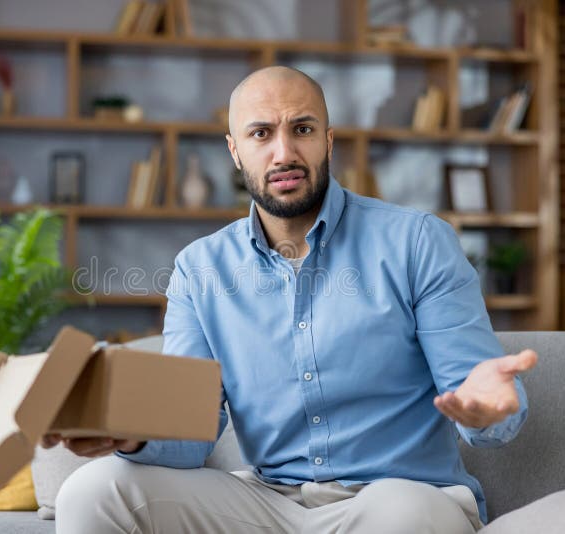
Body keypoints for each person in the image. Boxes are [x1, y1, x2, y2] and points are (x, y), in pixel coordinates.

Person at [45, 66, 538, 534]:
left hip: (398, 497)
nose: (284, 153)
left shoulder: (417, 242)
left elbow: (480, 394)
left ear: (327, 141)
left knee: (404, 514)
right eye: (261, 134)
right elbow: (189, 431)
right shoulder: (200, 270)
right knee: (90, 492)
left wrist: (490, 410)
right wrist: (134, 436)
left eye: (301, 129)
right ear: (235, 151)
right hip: (267, 504)